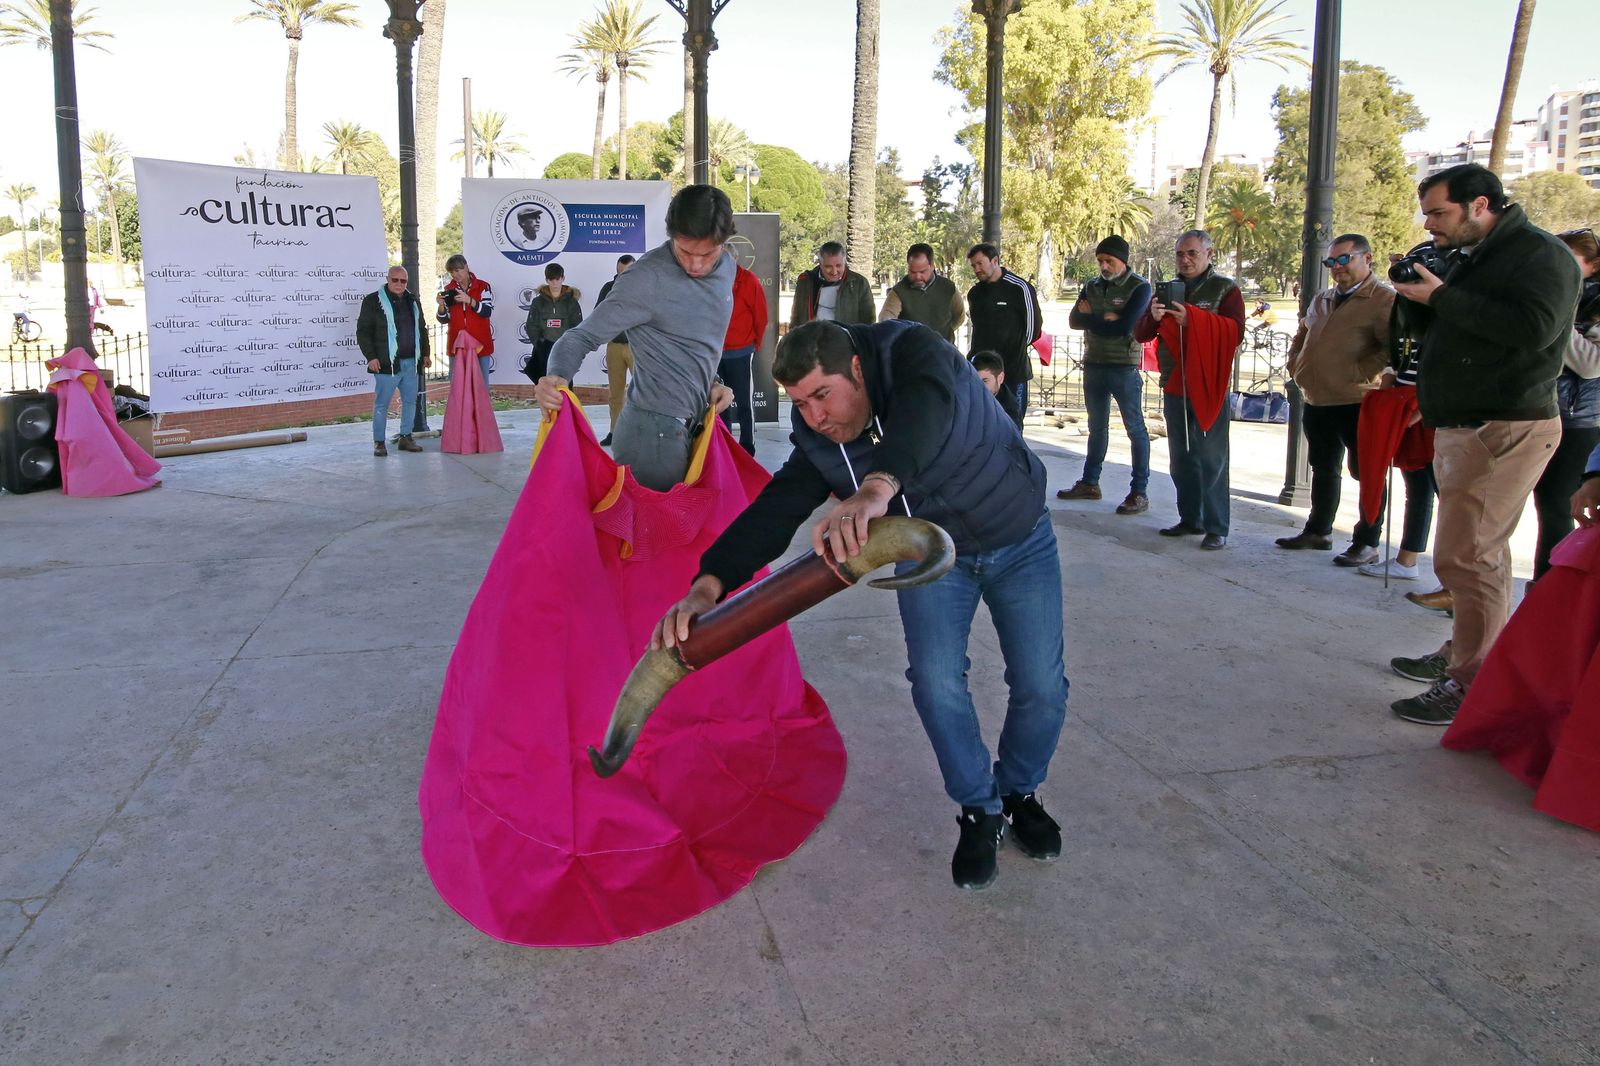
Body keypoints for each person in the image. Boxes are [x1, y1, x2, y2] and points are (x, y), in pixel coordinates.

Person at [653, 319, 1068, 891]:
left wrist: (874, 489)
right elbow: (778, 507)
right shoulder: (823, 434)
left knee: (1041, 685)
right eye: (800, 404)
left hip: (1018, 536)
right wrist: (709, 583)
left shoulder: (914, 353)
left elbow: (925, 413)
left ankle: (1019, 790)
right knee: (937, 683)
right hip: (930, 559)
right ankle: (981, 808)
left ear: (855, 368)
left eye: (822, 395)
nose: (815, 417)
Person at [1388, 163, 1580, 726]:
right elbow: (1447, 331)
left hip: (1505, 425)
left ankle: (1472, 681)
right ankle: (1463, 656)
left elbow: (1536, 329)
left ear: (1479, 205)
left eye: (1439, 213)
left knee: (1468, 556)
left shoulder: (1540, 255)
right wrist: (1416, 300)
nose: (1430, 225)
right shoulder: (1474, 256)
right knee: (1473, 556)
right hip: (1468, 425)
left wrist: (1444, 296)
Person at [536, 184, 735, 491]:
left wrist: (712, 382)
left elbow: (694, 339)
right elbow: (580, 336)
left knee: (695, 534)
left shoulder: (728, 268)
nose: (696, 265)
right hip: (651, 435)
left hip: (697, 425)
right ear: (670, 235)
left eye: (708, 253)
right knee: (654, 537)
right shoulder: (645, 279)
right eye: (685, 251)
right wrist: (555, 376)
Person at [1276, 234, 1395, 565]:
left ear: (1367, 258)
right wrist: (1296, 363)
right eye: (1331, 262)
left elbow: (1391, 347)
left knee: (1367, 473)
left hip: (1357, 401)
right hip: (1317, 398)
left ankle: (1367, 541)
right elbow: (1303, 333)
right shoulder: (1323, 298)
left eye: (1344, 260)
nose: (1337, 268)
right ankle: (1318, 530)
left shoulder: (1383, 299)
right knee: (1323, 467)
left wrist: (1360, 372)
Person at [1133, 230, 1246, 550]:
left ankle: (1216, 526)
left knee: (1211, 458)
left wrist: (1193, 320)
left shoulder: (1225, 289)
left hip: (1209, 386)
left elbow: (1235, 332)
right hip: (1175, 384)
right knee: (1180, 458)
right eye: (1180, 254)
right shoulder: (1168, 289)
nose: (1185, 260)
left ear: (1209, 255)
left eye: (1192, 254)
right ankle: (1190, 518)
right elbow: (1141, 334)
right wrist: (1153, 317)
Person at [1057, 235, 1153, 514]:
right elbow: (1075, 320)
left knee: (1135, 428)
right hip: (1094, 363)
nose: (1104, 266)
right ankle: (1090, 482)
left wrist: (1097, 318)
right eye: (1100, 260)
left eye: (1109, 261)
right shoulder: (1092, 285)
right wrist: (1107, 318)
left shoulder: (1140, 287)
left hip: (1123, 366)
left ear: (1123, 261)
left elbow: (1125, 327)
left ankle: (1139, 491)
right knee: (1096, 427)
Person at [1528, 229, 1600, 580]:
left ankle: (1549, 586)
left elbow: (1590, 365)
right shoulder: (1554, 295)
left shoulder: (1588, 304)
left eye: (1568, 260)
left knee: (1559, 505)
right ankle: (1542, 586)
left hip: (1582, 422)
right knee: (1545, 504)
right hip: (1542, 410)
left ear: (1593, 265)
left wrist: (1557, 316)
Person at [356, 265, 432, 456]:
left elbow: (421, 329)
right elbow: (363, 332)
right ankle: (379, 443)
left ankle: (406, 438)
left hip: (410, 362)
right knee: (382, 404)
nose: (399, 284)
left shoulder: (413, 301)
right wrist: (370, 357)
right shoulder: (373, 301)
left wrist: (425, 354)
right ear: (388, 279)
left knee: (409, 402)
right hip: (385, 364)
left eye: (403, 281)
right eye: (395, 280)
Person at [966, 242, 1042, 424]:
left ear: (994, 260)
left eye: (980, 263)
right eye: (973, 266)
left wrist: (1014, 348)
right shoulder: (974, 294)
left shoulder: (1019, 288)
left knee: (1012, 424)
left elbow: (1034, 329)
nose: (977, 269)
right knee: (980, 423)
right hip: (982, 372)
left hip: (1013, 371)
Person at [719, 260, 769, 456]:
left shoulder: (748, 280)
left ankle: (747, 447)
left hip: (741, 351)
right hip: (716, 352)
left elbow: (761, 316)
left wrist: (754, 345)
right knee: (719, 402)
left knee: (744, 402)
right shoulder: (712, 279)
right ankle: (724, 446)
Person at [878, 242, 965, 344]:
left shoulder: (948, 288)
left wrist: (945, 331)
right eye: (912, 272)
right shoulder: (899, 291)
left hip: (945, 352)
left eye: (922, 272)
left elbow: (959, 316)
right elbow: (886, 318)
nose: (917, 277)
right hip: (911, 353)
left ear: (932, 266)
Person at [594, 254, 636, 447]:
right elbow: (598, 314)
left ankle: (642, 434)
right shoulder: (608, 288)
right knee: (616, 393)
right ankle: (614, 432)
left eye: (628, 273)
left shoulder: (645, 287)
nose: (624, 277)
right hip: (615, 346)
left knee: (645, 392)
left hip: (639, 347)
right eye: (620, 274)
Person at [436, 253, 494, 385]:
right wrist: (441, 306)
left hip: (480, 345)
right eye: (451, 272)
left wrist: (469, 300)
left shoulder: (483, 286)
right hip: (457, 346)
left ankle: (481, 407)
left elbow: (487, 311)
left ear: (466, 267)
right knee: (458, 387)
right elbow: (444, 319)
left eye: (457, 270)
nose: (455, 275)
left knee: (481, 386)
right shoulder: (448, 289)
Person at [789, 241, 876, 328]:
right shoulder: (805, 281)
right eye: (828, 267)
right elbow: (795, 318)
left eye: (839, 266)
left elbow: (868, 321)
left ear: (844, 262)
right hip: (811, 338)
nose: (834, 272)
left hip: (845, 339)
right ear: (820, 263)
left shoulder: (859, 283)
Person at [523, 263, 583, 384]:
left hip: (565, 347)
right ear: (546, 280)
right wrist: (540, 343)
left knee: (565, 382)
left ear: (563, 278)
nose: (555, 283)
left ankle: (566, 403)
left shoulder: (571, 302)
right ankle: (547, 403)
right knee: (545, 382)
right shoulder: (538, 302)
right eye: (551, 279)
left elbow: (577, 326)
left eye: (557, 279)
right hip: (545, 347)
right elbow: (531, 325)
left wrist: (570, 344)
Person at [971, 349, 1020, 424]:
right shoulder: (965, 396)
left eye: (985, 381)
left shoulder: (1009, 411)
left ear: (1000, 378)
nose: (979, 386)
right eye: (975, 380)